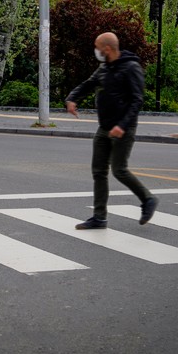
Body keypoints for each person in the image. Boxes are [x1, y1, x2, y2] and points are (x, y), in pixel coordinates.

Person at [64, 32, 158, 229]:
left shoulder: (132, 67)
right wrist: (72, 98)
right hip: (104, 127)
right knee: (99, 171)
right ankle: (99, 217)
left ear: (107, 48)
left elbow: (137, 100)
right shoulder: (104, 68)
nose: (96, 51)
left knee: (119, 170)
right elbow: (88, 84)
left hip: (123, 128)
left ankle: (147, 199)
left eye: (97, 47)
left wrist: (122, 126)